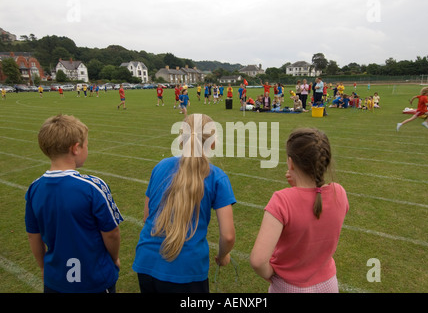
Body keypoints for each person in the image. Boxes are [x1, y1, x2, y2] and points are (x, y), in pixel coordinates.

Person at [133, 114, 236, 293]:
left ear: (181, 139)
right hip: (187, 270)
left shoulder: (160, 166)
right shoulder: (217, 177)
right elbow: (228, 236)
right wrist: (223, 255)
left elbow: (146, 216)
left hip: (147, 261)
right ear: (212, 142)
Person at [25, 114, 123, 293]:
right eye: (86, 145)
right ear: (76, 148)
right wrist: (115, 258)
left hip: (56, 280)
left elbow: (34, 236)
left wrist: (43, 268)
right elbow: (111, 233)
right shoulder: (93, 187)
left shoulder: (34, 188)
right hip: (94, 279)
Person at [250, 128, 349, 293]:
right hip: (329, 284)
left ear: (291, 162)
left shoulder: (282, 200)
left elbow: (258, 260)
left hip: (289, 287)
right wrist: (298, 188)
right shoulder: (339, 192)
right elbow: (315, 211)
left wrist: (271, 275)